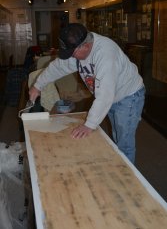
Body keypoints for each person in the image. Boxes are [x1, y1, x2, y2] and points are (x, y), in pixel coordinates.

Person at [29, 23, 145, 163]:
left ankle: (129, 181)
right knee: (116, 135)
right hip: (112, 95)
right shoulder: (78, 48)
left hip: (128, 96)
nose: (72, 57)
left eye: (73, 54)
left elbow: (105, 95)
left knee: (124, 142)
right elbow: (58, 67)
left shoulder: (106, 54)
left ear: (85, 46)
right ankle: (120, 164)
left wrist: (89, 124)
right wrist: (38, 86)